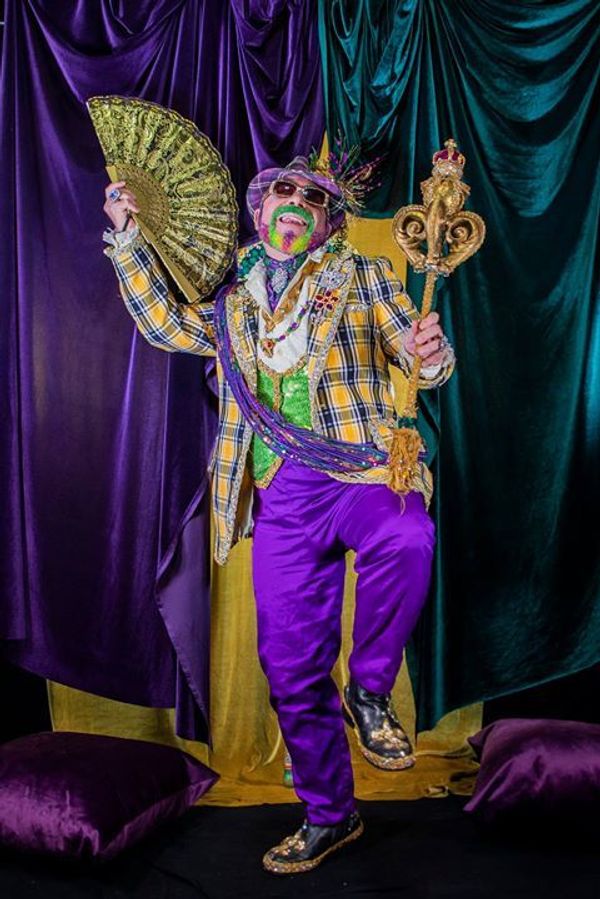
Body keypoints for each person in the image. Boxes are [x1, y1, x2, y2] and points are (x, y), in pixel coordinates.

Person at [102, 153, 455, 874]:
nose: (295, 200)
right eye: (281, 192)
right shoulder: (233, 306)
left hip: (356, 469)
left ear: (328, 220)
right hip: (280, 494)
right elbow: (168, 325)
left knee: (408, 533)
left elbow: (421, 358)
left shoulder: (362, 275)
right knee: (289, 667)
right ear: (260, 216)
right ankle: (331, 813)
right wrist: (128, 238)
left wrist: (431, 348)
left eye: (312, 195)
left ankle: (369, 689)